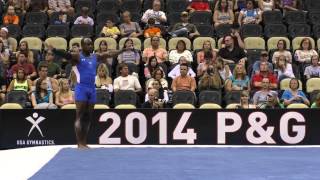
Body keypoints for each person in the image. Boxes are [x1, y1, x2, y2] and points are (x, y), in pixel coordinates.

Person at [49, 37, 122, 148]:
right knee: (80, 116)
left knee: (88, 117)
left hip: (92, 89)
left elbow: (109, 54)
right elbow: (66, 55)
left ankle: (84, 142)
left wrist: (122, 50)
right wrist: (54, 50)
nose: (90, 46)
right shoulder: (77, 56)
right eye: (87, 44)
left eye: (91, 44)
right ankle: (79, 143)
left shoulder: (95, 56)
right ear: (82, 46)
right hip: (81, 88)